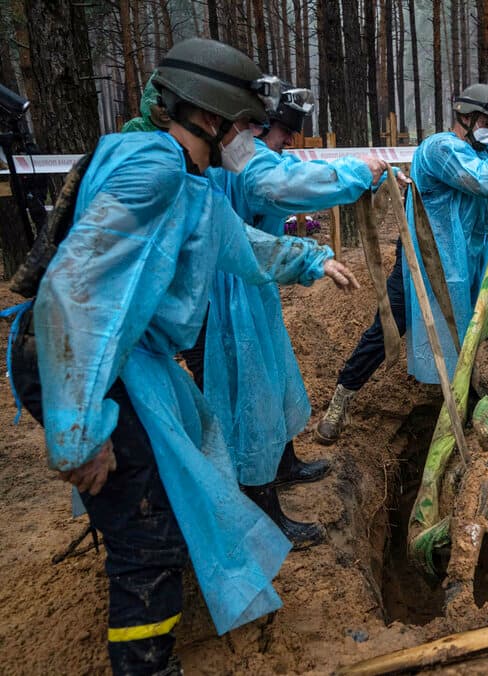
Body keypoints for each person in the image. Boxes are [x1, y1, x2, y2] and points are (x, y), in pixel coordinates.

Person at [7, 38, 360, 674]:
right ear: (215, 117)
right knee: (146, 536)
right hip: (86, 363)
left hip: (107, 360)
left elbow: (243, 246)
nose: (251, 140)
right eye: (247, 126)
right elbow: (74, 292)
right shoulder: (157, 169)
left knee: (165, 490)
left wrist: (312, 259)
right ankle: (148, 663)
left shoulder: (186, 181)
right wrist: (81, 431)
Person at [315, 83, 488, 442]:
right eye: (487, 122)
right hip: (425, 261)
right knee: (389, 325)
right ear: (464, 117)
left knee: (476, 328)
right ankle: (341, 399)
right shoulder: (439, 149)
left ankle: (466, 398)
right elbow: (484, 181)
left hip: (474, 259)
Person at [183, 86, 393, 548]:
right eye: (278, 133)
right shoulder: (243, 164)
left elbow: (297, 170)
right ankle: (262, 507)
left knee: (274, 377)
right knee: (250, 393)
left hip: (254, 284)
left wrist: (358, 173)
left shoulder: (253, 156)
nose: (282, 144)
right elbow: (284, 184)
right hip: (225, 295)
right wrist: (356, 174)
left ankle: (283, 464)